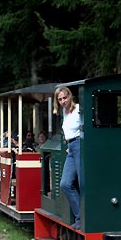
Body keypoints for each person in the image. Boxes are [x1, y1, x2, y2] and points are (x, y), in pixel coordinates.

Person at [54, 86, 81, 230]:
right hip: (71, 147)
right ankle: (80, 217)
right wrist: (69, 145)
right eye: (60, 99)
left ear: (70, 96)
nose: (63, 101)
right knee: (65, 183)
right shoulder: (64, 112)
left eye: (65, 98)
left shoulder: (78, 109)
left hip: (80, 145)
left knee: (83, 182)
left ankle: (83, 219)